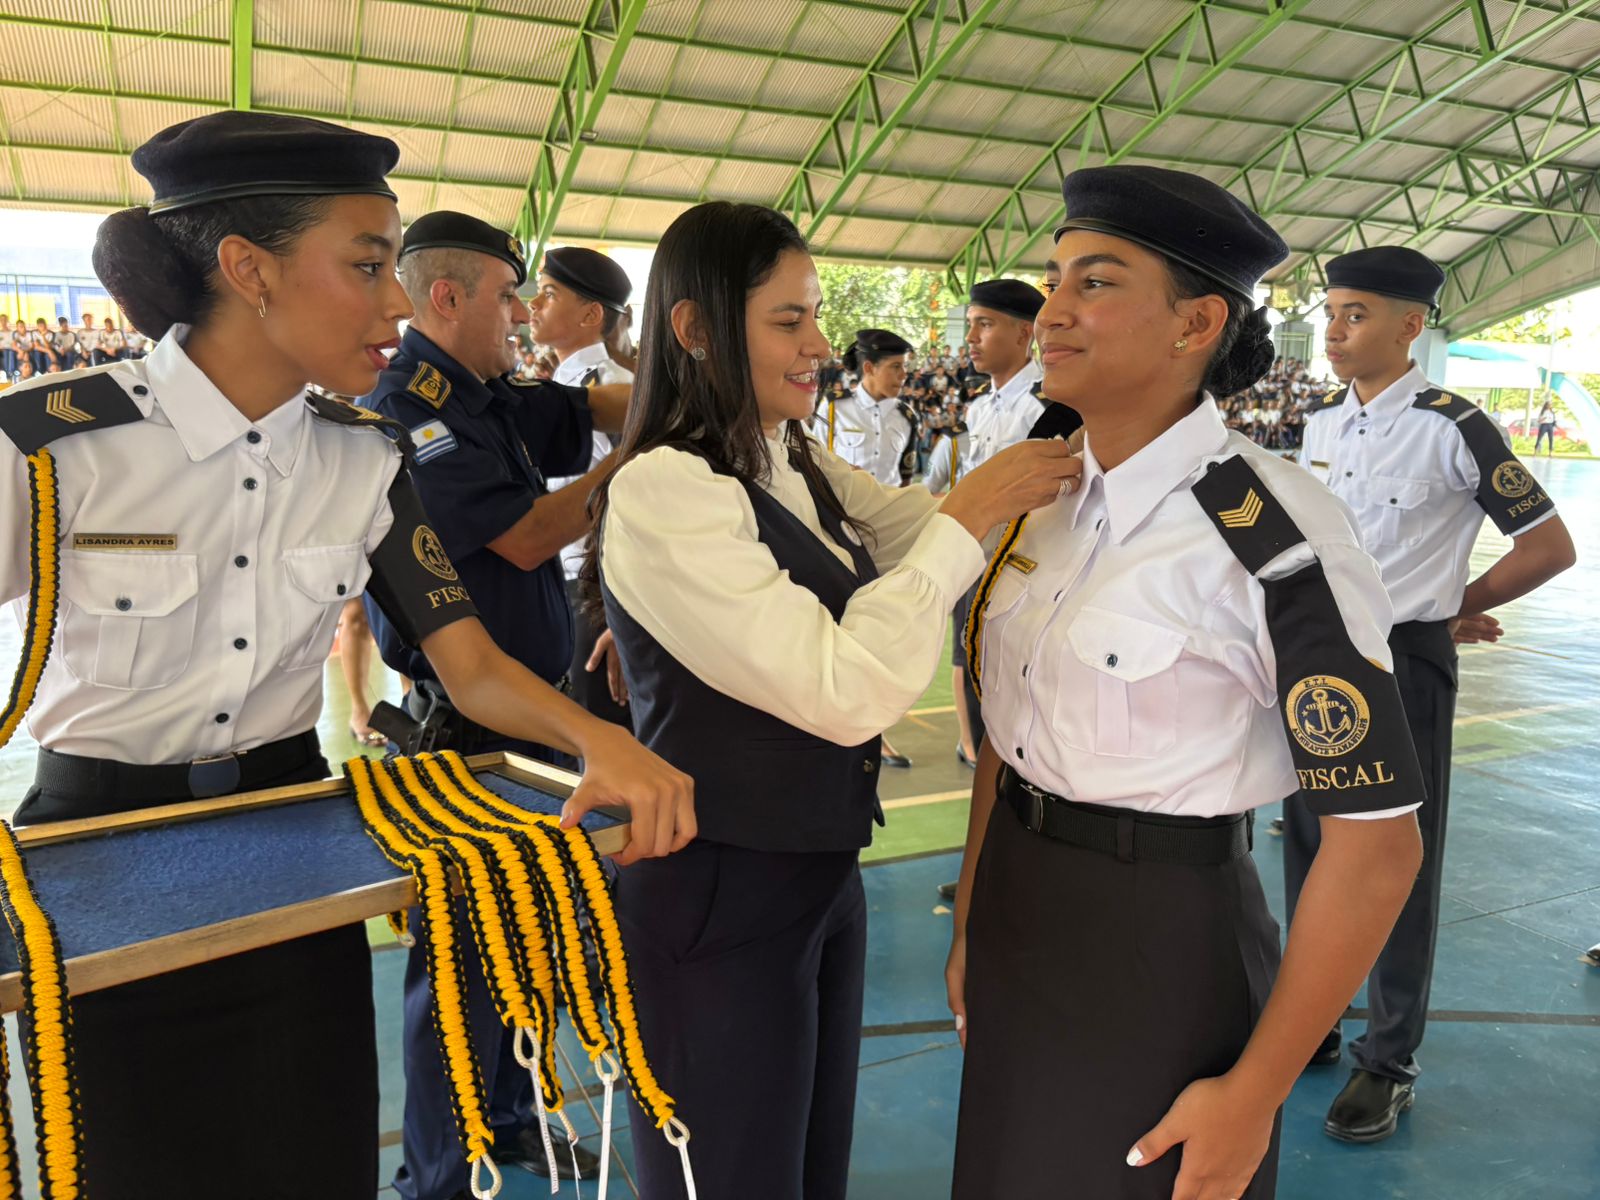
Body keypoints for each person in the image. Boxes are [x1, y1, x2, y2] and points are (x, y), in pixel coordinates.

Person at [0, 111, 693, 1200]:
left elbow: (469, 664)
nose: (398, 304)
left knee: (313, 1155)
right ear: (249, 269)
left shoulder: (361, 455)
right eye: (368, 266)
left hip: (294, 848)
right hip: (99, 860)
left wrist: (602, 743)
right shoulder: (53, 442)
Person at [946, 165, 1428, 1200]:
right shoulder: (1044, 498)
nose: (1052, 311)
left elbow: (1376, 845)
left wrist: (1254, 1093)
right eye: (1054, 278)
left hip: (1158, 937)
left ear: (1196, 323)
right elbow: (1006, 737)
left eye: (1095, 283)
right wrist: (972, 916)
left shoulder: (1271, 530)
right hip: (1018, 908)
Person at [585, 200, 1077, 1200]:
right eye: (788, 321)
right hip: (720, 885)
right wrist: (972, 510)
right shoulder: (667, 488)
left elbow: (911, 529)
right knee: (728, 1174)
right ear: (693, 328)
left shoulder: (788, 458)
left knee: (808, 1166)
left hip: (815, 868)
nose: (819, 345)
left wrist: (1018, 490)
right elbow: (845, 688)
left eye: (813, 317)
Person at [363, 211, 643, 1198]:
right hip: (467, 733)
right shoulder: (410, 413)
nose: (522, 315)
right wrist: (631, 466)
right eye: (509, 295)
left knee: (528, 938)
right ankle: (439, 1176)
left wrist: (682, 396)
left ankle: (515, 1119)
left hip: (529, 723)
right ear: (448, 297)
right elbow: (524, 539)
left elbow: (595, 404)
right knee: (458, 971)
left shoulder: (484, 397)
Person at [1287, 245, 1575, 1143]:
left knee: (1398, 864)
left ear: (1411, 325)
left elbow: (1548, 545)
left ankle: (1388, 1059)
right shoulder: (1321, 425)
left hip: (1401, 663)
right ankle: (1309, 1024)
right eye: (1330, 313)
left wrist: (1455, 604)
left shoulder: (1454, 427)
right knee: (1309, 848)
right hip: (1317, 657)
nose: (1335, 330)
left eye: (1357, 314)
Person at [532, 245, 637, 729]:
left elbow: (637, 507)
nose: (534, 304)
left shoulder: (612, 389)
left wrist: (621, 613)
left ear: (591, 315)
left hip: (600, 594)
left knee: (602, 737)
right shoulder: (562, 386)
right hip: (565, 584)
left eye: (549, 294)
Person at [811, 326, 921, 767]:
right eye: (895, 368)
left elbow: (906, 479)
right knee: (838, 633)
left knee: (885, 638)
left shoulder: (907, 417)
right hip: (838, 537)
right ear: (869, 368)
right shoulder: (830, 410)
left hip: (885, 539)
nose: (902, 377)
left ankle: (877, 733)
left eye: (905, 368)